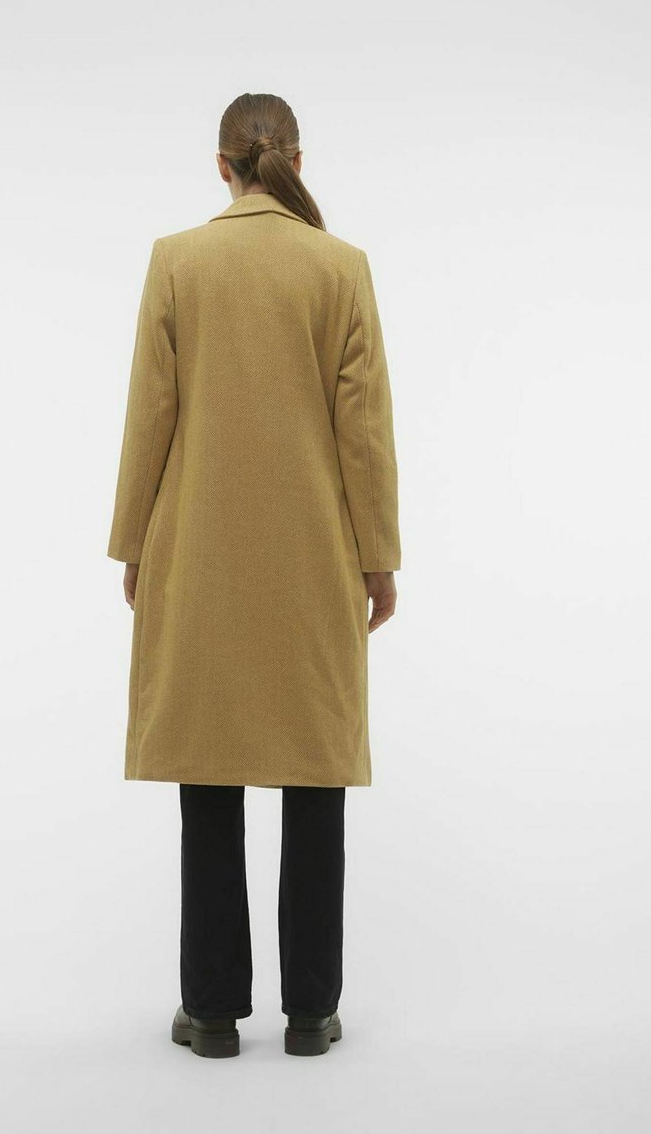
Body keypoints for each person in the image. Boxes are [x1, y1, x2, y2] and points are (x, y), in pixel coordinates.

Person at [106, 92, 401, 1058]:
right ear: (296, 162)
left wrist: (134, 546)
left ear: (221, 166)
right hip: (315, 559)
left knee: (210, 771)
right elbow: (364, 434)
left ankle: (211, 1012)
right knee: (314, 773)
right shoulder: (341, 268)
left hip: (199, 555)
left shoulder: (178, 262)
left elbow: (150, 418)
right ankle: (311, 1012)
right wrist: (378, 559)